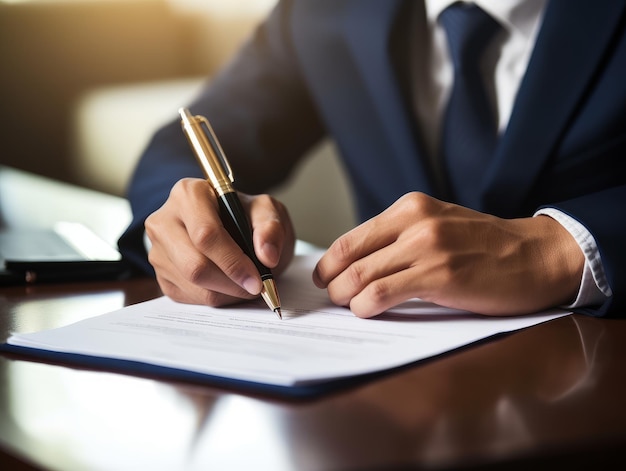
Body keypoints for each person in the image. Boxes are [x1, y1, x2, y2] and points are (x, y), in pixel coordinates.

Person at [118, 0, 626, 319]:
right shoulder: (324, 11)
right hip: (388, 402)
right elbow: (183, 145)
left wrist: (562, 250)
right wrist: (191, 224)